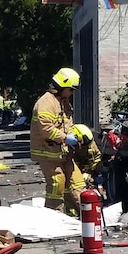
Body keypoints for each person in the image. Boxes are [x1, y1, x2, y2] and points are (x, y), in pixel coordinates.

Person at [30, 67, 85, 216]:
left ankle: (85, 216)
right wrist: (65, 137)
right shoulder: (46, 102)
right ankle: (53, 216)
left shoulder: (63, 101)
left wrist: (74, 134)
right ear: (62, 87)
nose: (72, 93)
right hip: (47, 151)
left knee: (77, 182)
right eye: (71, 90)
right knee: (57, 183)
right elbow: (45, 128)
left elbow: (67, 123)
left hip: (62, 151)